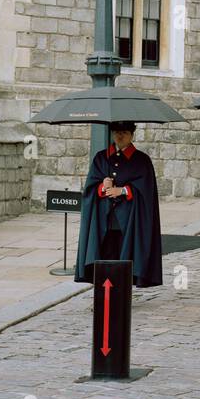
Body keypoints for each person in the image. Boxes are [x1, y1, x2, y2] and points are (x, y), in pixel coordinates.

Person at [75, 121, 163, 288]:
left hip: (129, 221)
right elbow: (90, 189)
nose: (120, 136)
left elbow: (146, 191)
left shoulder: (142, 160)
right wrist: (102, 186)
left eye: (124, 132)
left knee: (126, 257)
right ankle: (103, 295)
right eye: (116, 132)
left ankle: (122, 295)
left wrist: (123, 190)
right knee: (104, 257)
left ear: (131, 135)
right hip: (104, 221)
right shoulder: (101, 158)